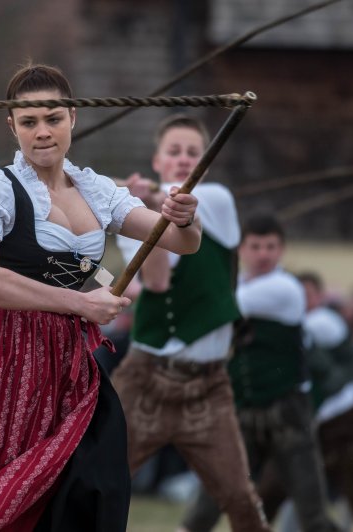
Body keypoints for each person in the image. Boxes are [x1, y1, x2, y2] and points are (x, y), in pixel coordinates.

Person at [0, 64, 202, 531]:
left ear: (73, 116)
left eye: (53, 118)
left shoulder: (96, 190)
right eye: (29, 122)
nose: (43, 132)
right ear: (12, 126)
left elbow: (180, 243)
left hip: (68, 370)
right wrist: (80, 304)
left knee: (95, 486)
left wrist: (184, 217)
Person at [110, 114, 268, 531]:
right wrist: (142, 205)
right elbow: (158, 282)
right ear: (157, 160)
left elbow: (183, 203)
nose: (184, 159)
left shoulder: (216, 199)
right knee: (100, 479)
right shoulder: (133, 219)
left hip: (207, 385)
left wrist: (144, 194)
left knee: (238, 495)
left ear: (206, 163)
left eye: (193, 153)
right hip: (145, 377)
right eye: (174, 152)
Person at [180, 214, 338, 532]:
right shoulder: (238, 284)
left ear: (282, 250)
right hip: (243, 408)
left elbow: (217, 308)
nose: (264, 253)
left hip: (287, 411)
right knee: (214, 493)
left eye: (271, 246)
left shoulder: (285, 287)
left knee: (311, 507)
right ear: (242, 249)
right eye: (256, 246)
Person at [256, 271, 353, 532]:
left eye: (308, 295)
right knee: (278, 488)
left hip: (341, 420)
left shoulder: (320, 322)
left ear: (320, 297)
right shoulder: (298, 325)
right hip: (309, 422)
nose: (302, 301)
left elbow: (344, 369)